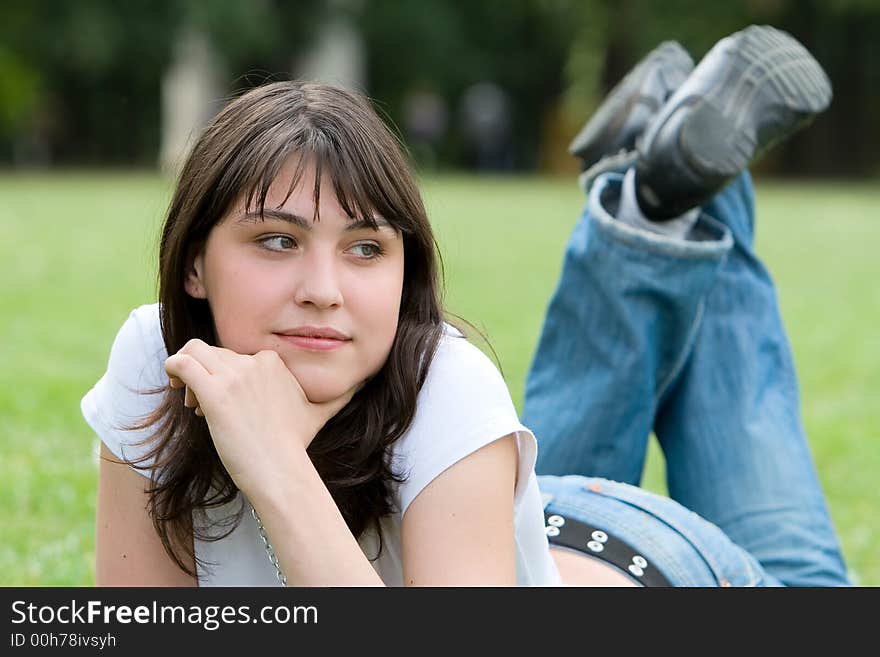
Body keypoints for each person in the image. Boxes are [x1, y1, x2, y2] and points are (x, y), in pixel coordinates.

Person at [83, 24, 851, 587]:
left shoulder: (446, 381)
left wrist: (278, 466)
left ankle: (656, 202)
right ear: (192, 263)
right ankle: (655, 201)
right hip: (513, 528)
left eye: (365, 248)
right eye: (277, 241)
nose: (323, 288)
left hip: (659, 570)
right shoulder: (157, 359)